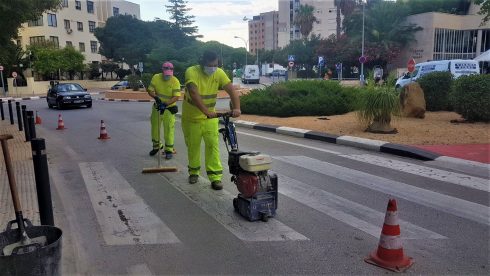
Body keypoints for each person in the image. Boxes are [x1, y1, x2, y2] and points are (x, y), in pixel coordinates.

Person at [181, 50, 241, 190]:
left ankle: (215, 177)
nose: (212, 68)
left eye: (215, 65)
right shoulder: (192, 71)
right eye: (210, 65)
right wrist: (206, 111)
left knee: (212, 146)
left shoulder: (218, 73)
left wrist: (237, 108)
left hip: (210, 119)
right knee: (193, 147)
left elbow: (231, 90)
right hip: (192, 119)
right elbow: (193, 92)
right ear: (202, 63)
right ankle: (194, 172)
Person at [146, 61, 181, 159]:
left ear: (172, 72)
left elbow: (176, 97)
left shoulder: (175, 81)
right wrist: (156, 98)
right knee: (155, 128)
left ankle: (168, 150)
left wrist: (165, 104)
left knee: (169, 129)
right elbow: (150, 90)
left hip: (169, 109)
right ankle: (156, 146)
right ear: (163, 70)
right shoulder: (156, 77)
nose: (168, 76)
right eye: (166, 74)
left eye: (169, 74)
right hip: (157, 107)